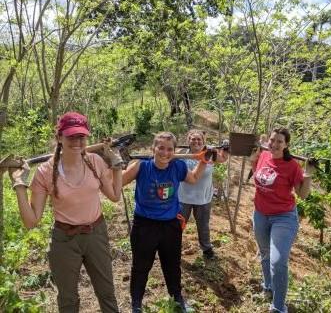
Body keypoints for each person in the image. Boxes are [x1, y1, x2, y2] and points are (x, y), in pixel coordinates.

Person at [9, 112, 122, 313]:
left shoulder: (94, 161)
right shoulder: (45, 172)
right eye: (71, 136)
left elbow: (114, 196)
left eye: (81, 136)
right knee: (68, 300)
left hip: (96, 234)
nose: (77, 142)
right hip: (64, 240)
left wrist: (116, 166)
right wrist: (19, 184)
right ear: (59, 137)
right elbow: (31, 221)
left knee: (107, 293)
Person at [122, 131, 211, 313]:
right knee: (141, 266)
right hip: (145, 225)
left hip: (170, 225)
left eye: (170, 149)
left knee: (172, 265)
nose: (165, 152)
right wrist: (114, 163)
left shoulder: (178, 166)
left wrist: (204, 160)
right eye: (160, 148)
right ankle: (136, 304)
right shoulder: (141, 166)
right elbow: (118, 182)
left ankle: (177, 299)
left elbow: (193, 179)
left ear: (175, 150)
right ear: (153, 148)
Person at [249, 127, 315, 313]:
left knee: (277, 261)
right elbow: (258, 177)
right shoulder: (263, 155)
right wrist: (253, 161)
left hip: (283, 217)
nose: (274, 144)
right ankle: (268, 285)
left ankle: (278, 306)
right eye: (272, 140)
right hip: (261, 213)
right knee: (264, 253)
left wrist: (308, 174)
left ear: (286, 145)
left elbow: (302, 194)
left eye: (279, 141)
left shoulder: (292, 165)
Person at [178, 129, 228, 259]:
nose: (196, 141)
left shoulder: (210, 153)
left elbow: (223, 158)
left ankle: (206, 249)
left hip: (203, 198)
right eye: (193, 139)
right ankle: (173, 247)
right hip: (183, 197)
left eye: (199, 139)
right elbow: (168, 158)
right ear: (188, 141)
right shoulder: (182, 154)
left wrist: (225, 147)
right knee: (177, 225)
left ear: (203, 141)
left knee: (203, 226)